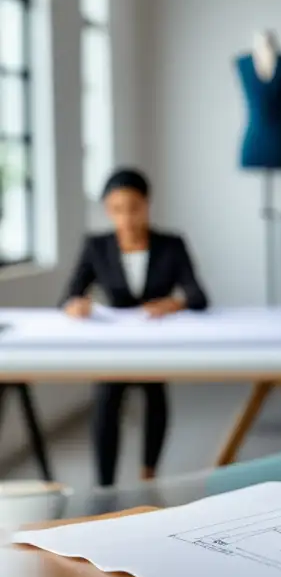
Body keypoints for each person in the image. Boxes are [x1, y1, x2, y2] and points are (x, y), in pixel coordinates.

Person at [62, 168, 209, 486]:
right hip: (114, 345)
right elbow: (70, 295)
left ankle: (148, 475)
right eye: (117, 210)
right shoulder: (96, 246)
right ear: (107, 211)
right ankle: (105, 485)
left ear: (146, 205)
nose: (126, 218)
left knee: (156, 397)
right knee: (105, 402)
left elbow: (198, 296)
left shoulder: (171, 245)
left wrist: (174, 303)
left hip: (153, 344)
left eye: (133, 208)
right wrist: (77, 304)